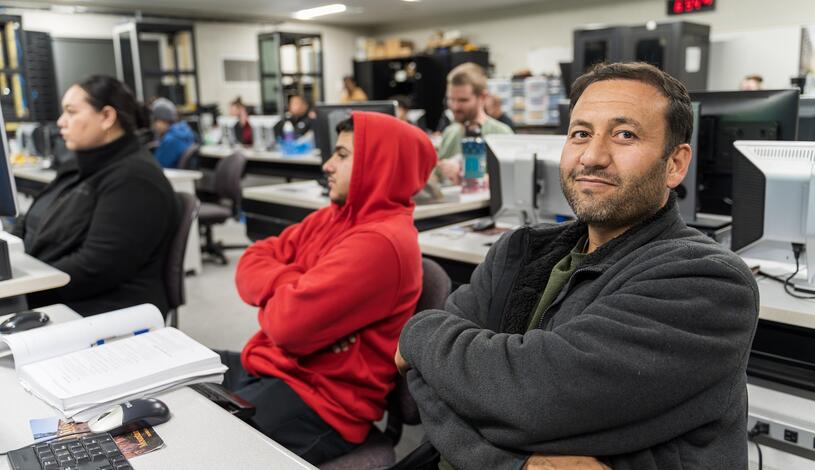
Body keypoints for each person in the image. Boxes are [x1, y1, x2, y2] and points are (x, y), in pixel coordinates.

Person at [395, 62, 759, 469]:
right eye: (581, 133)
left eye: (625, 135)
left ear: (675, 164)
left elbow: (533, 399)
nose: (593, 156)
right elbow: (427, 383)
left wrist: (420, 337)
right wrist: (518, 463)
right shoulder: (520, 250)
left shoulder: (708, 282)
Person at [219, 112, 437, 465]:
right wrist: (292, 285)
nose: (327, 165)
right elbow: (252, 258)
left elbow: (287, 326)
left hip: (319, 402)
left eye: (342, 155)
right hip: (273, 365)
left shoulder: (382, 243)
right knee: (176, 387)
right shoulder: (334, 216)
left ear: (377, 164)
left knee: (204, 446)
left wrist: (283, 290)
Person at [15, 75, 178, 317]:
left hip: (101, 311)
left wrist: (23, 289)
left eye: (71, 112)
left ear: (107, 117)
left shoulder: (135, 180)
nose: (61, 122)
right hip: (52, 293)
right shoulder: (78, 168)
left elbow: (95, 268)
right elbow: (30, 223)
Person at [436, 62, 513, 185]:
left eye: (463, 100)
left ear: (483, 97)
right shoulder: (450, 133)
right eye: (451, 99)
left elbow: (510, 181)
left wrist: (465, 174)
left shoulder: (501, 134)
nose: (455, 107)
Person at [151, 97, 196, 168]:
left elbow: (157, 167)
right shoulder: (185, 131)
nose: (154, 125)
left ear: (163, 120)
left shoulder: (170, 140)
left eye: (156, 120)